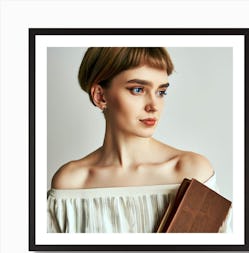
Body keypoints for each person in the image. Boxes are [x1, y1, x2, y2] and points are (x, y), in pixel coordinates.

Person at [47, 47, 229, 233]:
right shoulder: (71, 183)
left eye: (161, 92)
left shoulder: (192, 171)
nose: (153, 106)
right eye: (138, 89)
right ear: (100, 96)